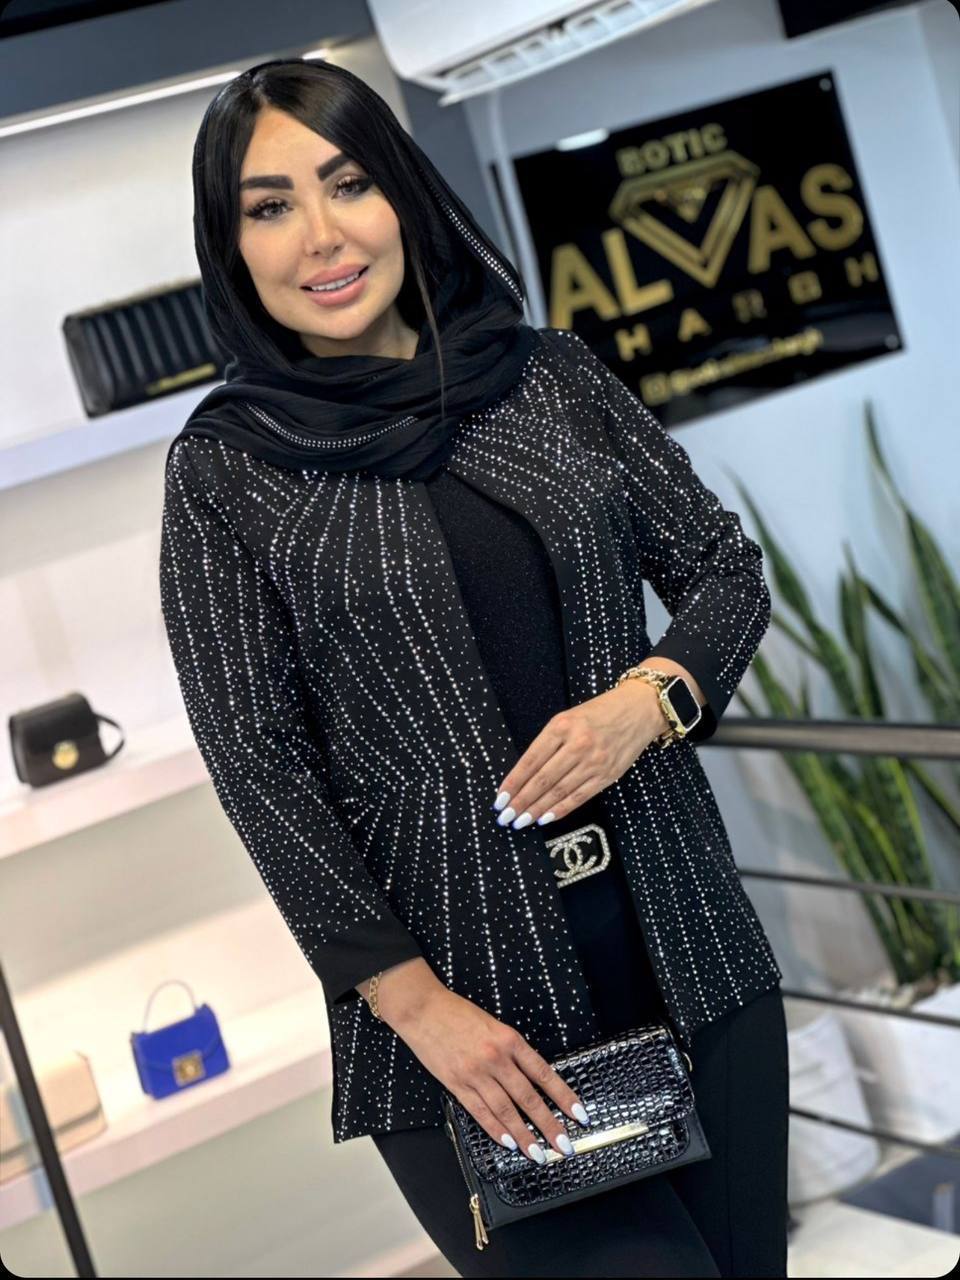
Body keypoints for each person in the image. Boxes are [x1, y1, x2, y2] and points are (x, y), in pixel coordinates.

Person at [159, 57, 788, 1278]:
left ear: (403, 195)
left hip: (690, 947)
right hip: (472, 1025)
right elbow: (258, 762)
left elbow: (725, 568)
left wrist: (645, 701)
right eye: (270, 206)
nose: (322, 235)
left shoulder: (549, 374)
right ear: (232, 246)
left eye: (349, 184)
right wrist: (415, 1007)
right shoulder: (228, 467)